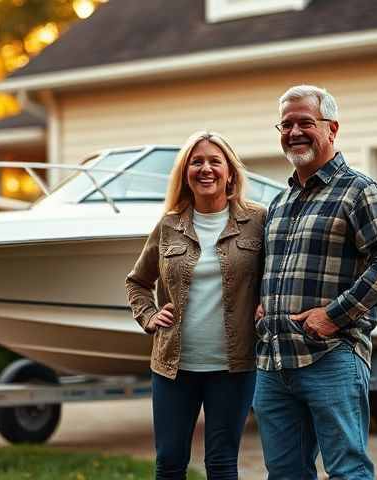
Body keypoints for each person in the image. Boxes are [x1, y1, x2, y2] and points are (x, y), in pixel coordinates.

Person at [253, 85, 377, 480]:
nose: (294, 132)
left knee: (347, 472)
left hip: (331, 357)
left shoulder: (360, 191)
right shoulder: (280, 201)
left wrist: (333, 315)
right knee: (285, 473)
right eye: (286, 124)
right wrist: (261, 304)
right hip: (274, 363)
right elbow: (273, 266)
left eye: (305, 122)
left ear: (331, 129)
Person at [125, 131, 266, 480]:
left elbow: (274, 274)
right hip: (173, 368)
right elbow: (137, 281)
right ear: (185, 172)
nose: (206, 169)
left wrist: (266, 303)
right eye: (196, 161)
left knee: (220, 464)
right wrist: (148, 315)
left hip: (233, 368)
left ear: (230, 172)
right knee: (170, 463)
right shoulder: (169, 225)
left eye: (215, 161)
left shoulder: (258, 221)